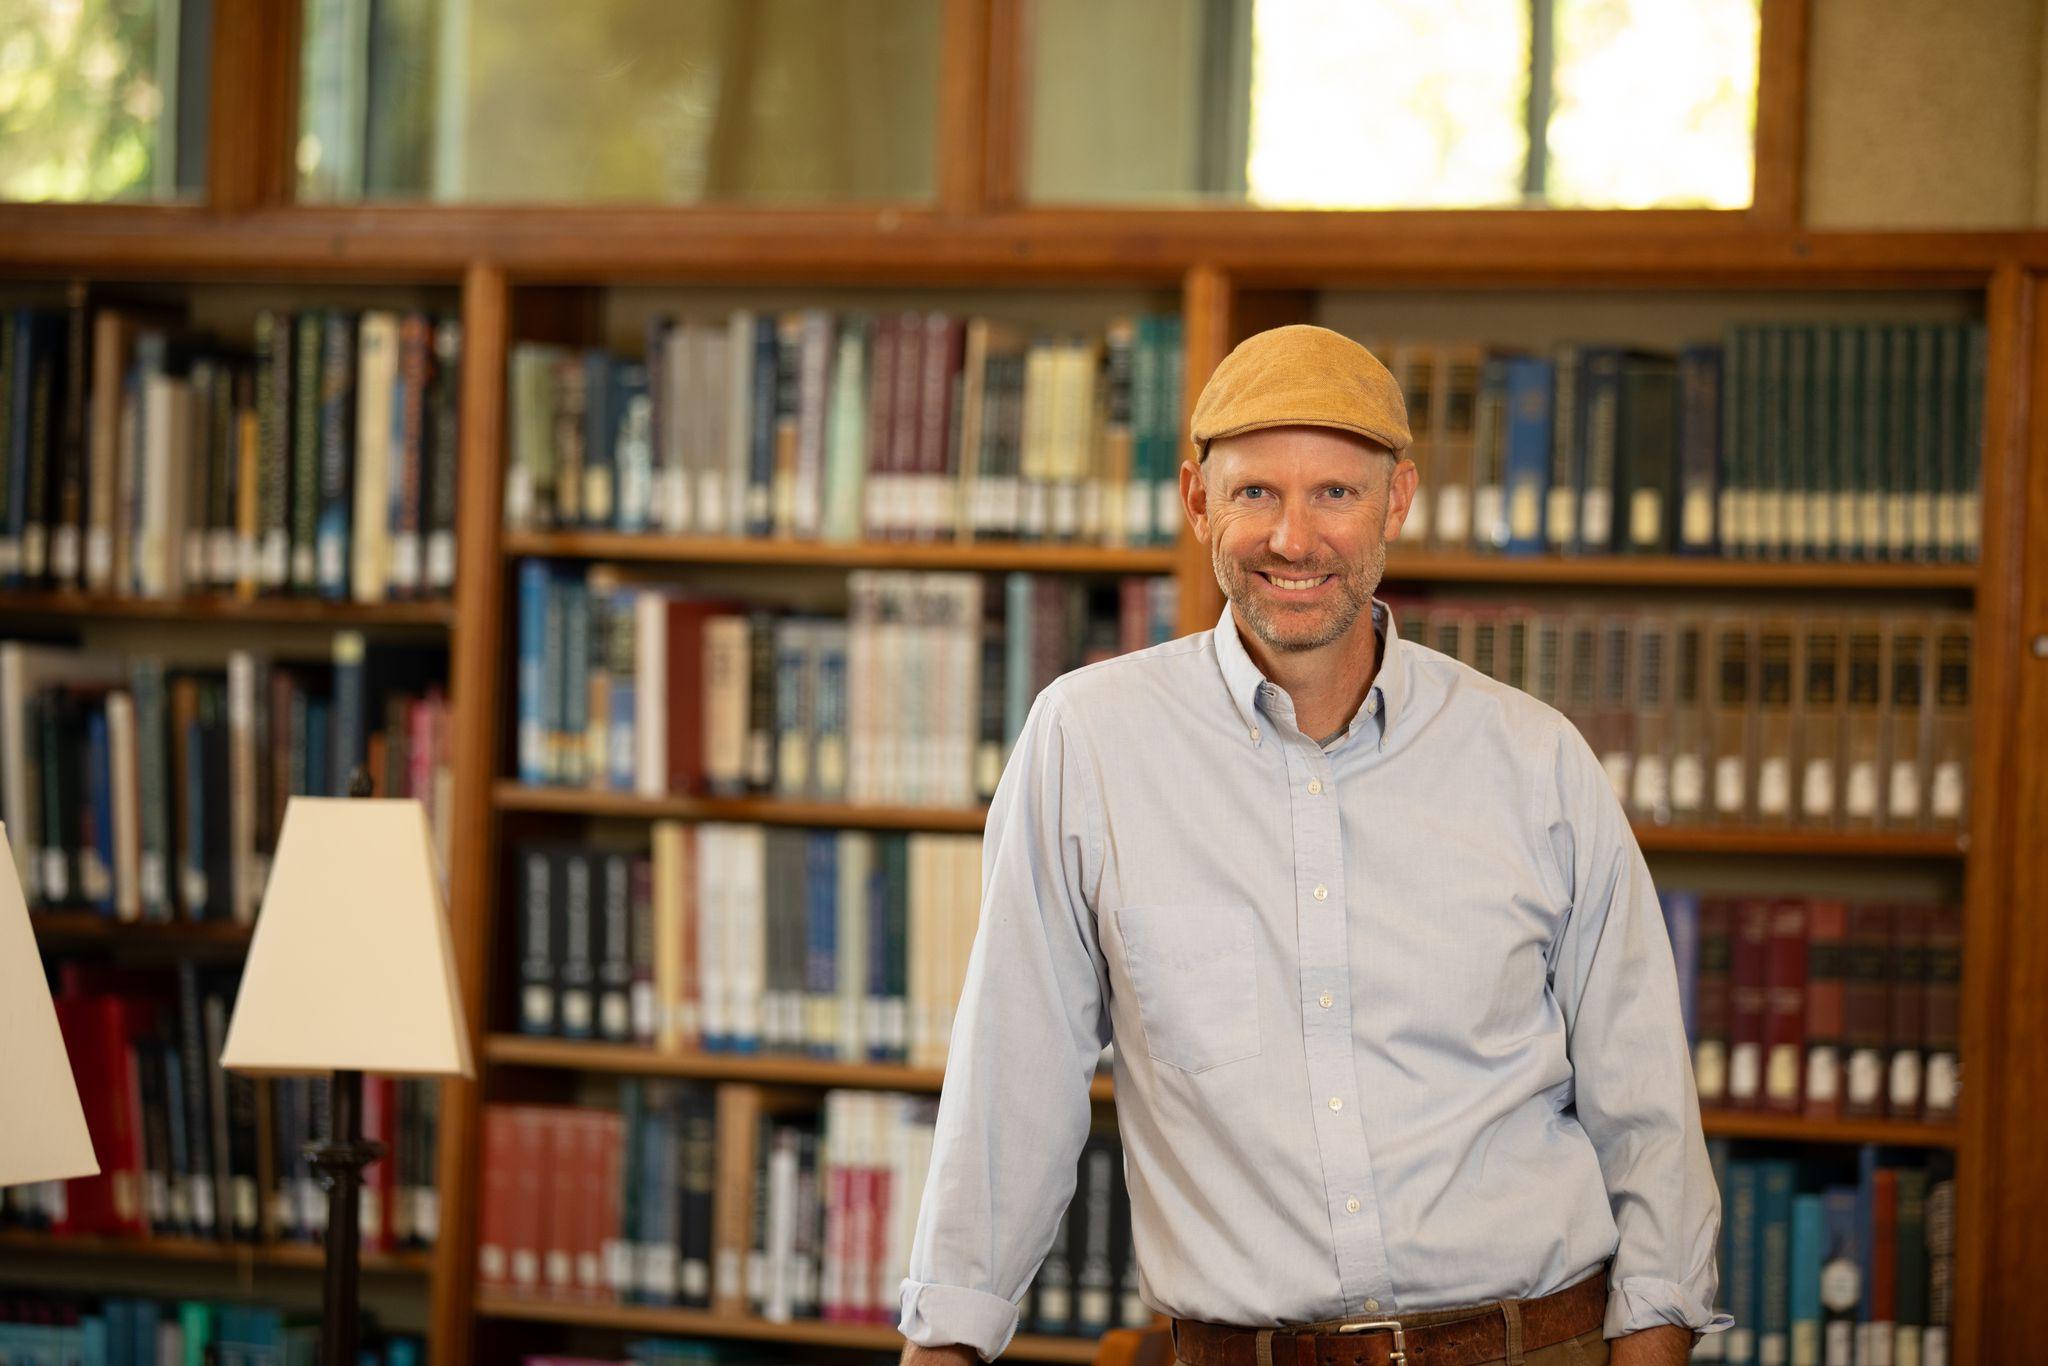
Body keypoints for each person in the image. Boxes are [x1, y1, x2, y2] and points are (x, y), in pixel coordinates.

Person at [897, 325, 1729, 1366]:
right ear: (1197, 499)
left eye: (1334, 492)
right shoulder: (1087, 742)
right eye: (1255, 494)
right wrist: (945, 1344)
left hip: (1531, 1344)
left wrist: (1651, 1347)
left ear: (1398, 501)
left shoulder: (1531, 759)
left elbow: (1642, 1098)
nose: (1293, 538)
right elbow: (1012, 1080)